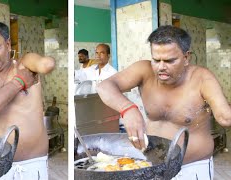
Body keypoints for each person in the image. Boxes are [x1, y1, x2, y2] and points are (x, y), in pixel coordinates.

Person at [96, 25, 231, 179]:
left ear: (186, 58)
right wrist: (127, 109)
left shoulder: (202, 78)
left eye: (169, 61)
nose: (161, 67)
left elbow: (225, 117)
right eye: (156, 60)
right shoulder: (144, 70)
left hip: (192, 167)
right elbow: (104, 86)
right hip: (153, 164)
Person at [0, 21, 55, 180]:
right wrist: (18, 82)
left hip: (34, 163)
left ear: (7, 44)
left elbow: (46, 64)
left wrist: (41, 64)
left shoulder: (25, 64)